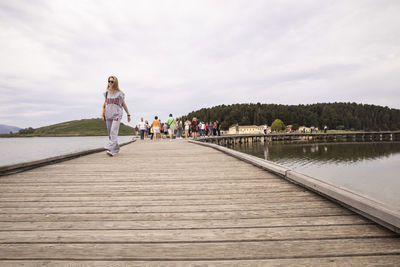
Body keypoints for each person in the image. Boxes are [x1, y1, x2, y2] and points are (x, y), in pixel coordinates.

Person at [103, 75, 131, 156]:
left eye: (112, 81)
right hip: (108, 115)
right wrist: (103, 114)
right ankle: (116, 148)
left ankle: (111, 150)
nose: (110, 83)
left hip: (117, 115)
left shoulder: (120, 93)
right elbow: (105, 104)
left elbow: (123, 104)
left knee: (113, 132)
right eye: (109, 81)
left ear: (115, 83)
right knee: (109, 133)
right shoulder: (106, 93)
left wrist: (128, 114)